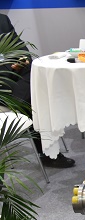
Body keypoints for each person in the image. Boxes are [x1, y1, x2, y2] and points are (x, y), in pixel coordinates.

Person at [0, 13, 74, 168]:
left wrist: (20, 62)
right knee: (35, 96)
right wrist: (10, 70)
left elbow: (22, 52)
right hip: (4, 85)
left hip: (16, 80)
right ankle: (47, 153)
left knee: (35, 76)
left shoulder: (2, 20)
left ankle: (48, 151)